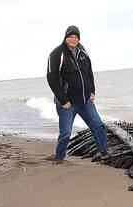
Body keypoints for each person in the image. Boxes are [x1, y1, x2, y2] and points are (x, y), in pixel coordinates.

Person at [46, 25, 108, 164]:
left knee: (98, 125)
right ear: (66, 37)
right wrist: (63, 100)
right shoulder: (57, 54)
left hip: (85, 101)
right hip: (67, 103)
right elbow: (52, 78)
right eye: (71, 36)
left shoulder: (82, 52)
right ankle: (59, 157)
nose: (74, 39)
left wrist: (92, 91)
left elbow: (89, 73)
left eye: (76, 37)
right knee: (66, 133)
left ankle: (104, 152)